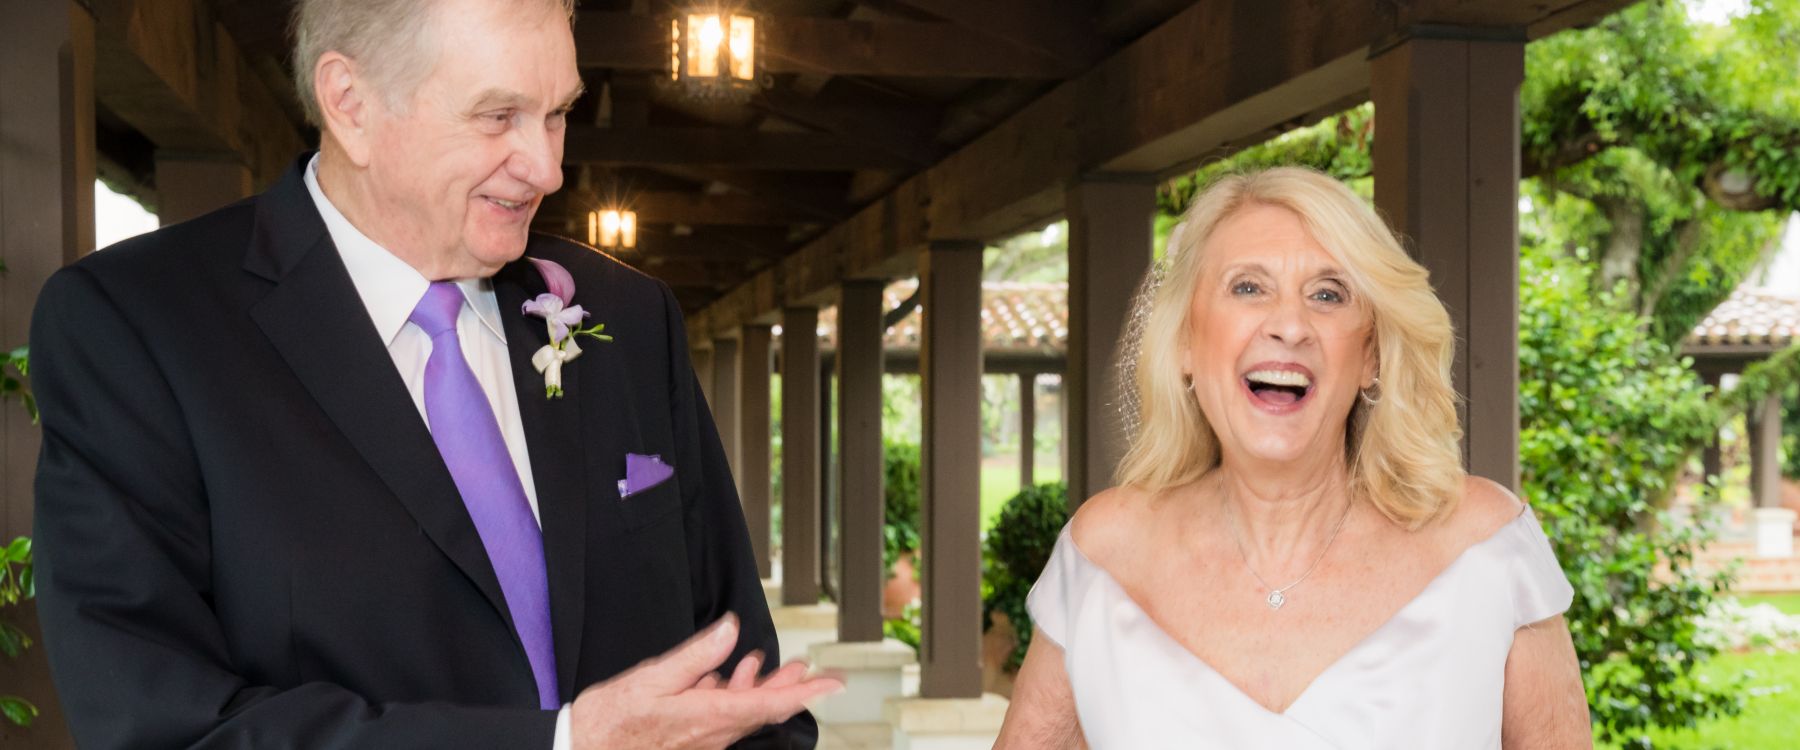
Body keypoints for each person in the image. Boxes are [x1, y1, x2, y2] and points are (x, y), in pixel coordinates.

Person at [29, 0, 838, 747]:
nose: (547, 168)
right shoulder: (137, 328)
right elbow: (165, 726)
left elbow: (743, 683)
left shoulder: (628, 319)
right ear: (350, 104)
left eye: (557, 114)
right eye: (499, 116)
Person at [994, 167, 1591, 748]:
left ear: (1371, 356)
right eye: (1248, 287)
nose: (1289, 325)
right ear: (1184, 342)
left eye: (1327, 294)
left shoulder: (1486, 550)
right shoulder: (1103, 557)